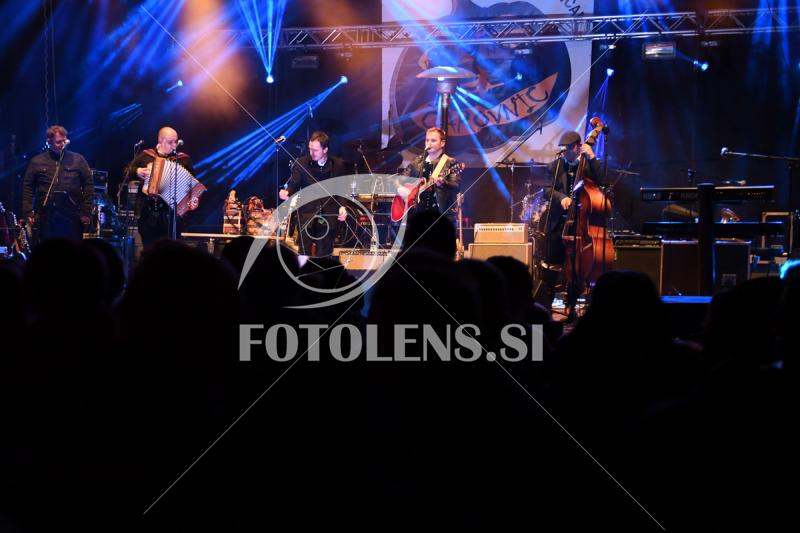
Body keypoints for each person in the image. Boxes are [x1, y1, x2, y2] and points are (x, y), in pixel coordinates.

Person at [537, 130, 602, 317]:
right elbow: (547, 190)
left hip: (580, 225)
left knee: (575, 269)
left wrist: (592, 157)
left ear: (577, 147)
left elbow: (601, 180)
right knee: (552, 263)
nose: (564, 152)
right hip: (558, 222)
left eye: (567, 149)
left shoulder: (588, 166)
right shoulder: (554, 166)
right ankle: (546, 309)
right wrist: (562, 198)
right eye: (563, 149)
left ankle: (572, 308)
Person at [279, 131, 348, 257]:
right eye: (310, 149)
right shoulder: (301, 163)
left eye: (315, 150)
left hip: (328, 216)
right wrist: (287, 192)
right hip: (306, 214)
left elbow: (342, 189)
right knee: (303, 255)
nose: (311, 153)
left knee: (324, 256)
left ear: (325, 149)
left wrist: (342, 207)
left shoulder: (337, 165)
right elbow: (294, 183)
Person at [22, 125, 93, 243]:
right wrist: (28, 211)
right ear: (49, 142)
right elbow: (28, 186)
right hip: (46, 215)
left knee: (72, 249)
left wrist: (87, 211)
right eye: (58, 142)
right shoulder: (37, 161)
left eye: (64, 141)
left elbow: (88, 184)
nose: (62, 145)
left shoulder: (78, 159)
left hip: (73, 215)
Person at [128, 127, 196, 245]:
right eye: (170, 142)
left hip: (173, 214)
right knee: (149, 248)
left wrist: (192, 197)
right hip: (148, 212)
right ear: (160, 141)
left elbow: (192, 183)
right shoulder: (146, 155)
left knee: (171, 248)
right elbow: (126, 172)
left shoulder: (183, 159)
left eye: (176, 141)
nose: (174, 146)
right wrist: (137, 171)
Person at [401, 127, 462, 220]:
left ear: (442, 143)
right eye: (427, 140)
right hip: (416, 214)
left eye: (433, 140)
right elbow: (401, 179)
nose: (429, 143)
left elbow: (456, 187)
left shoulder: (450, 162)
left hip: (439, 214)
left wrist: (443, 183)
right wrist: (401, 188)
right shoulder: (417, 161)